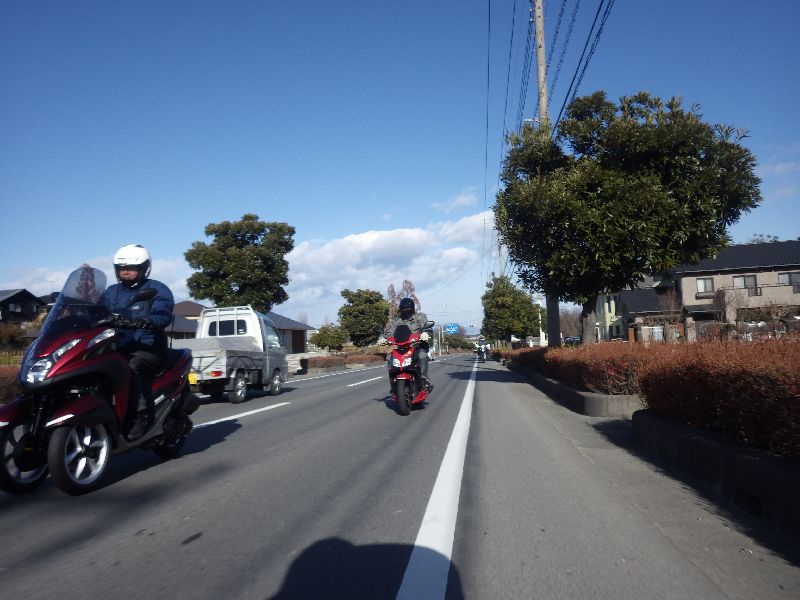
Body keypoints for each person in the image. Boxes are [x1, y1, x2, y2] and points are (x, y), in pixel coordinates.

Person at [100, 244, 174, 439]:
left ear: (144, 268)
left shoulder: (157, 289)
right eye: (121, 268)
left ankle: (140, 416)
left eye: (131, 267)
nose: (125, 271)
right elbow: (95, 311)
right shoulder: (111, 292)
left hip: (147, 348)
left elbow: (164, 314)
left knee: (128, 366)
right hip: (113, 346)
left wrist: (148, 320)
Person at [378, 297, 433, 391]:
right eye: (404, 309)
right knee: (389, 358)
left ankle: (423, 379)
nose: (406, 311)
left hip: (417, 346)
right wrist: (383, 338)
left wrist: (425, 333)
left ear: (413, 309)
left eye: (408, 309)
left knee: (422, 355)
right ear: (400, 309)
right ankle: (393, 383)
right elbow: (390, 332)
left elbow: (427, 327)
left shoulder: (420, 317)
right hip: (400, 348)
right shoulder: (396, 321)